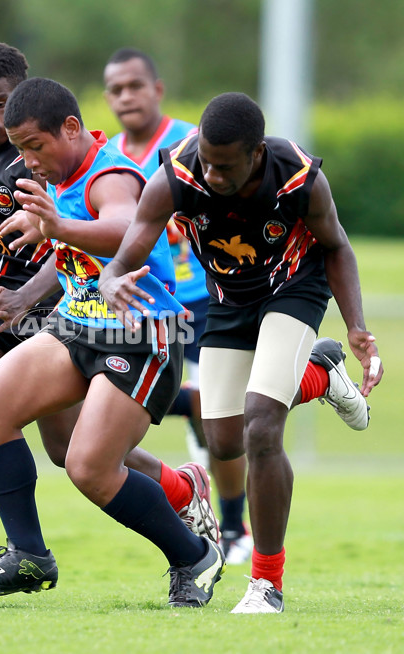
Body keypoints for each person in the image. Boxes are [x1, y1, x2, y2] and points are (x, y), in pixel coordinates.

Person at [0, 44, 218, 604]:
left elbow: (127, 230)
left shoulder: (110, 174)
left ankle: (193, 556)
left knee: (86, 466)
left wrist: (56, 227)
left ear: (72, 129)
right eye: (21, 149)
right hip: (76, 325)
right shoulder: (46, 169)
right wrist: (50, 232)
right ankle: (28, 556)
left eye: (33, 147)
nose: (26, 159)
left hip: (140, 335)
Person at [99, 92, 383, 613]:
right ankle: (321, 375)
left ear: (256, 153)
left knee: (261, 426)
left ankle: (266, 584)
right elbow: (132, 243)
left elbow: (338, 246)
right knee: (222, 439)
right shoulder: (179, 174)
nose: (211, 174)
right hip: (229, 299)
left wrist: (357, 325)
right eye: (206, 160)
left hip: (296, 287)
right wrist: (112, 277)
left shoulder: (298, 176)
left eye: (225, 166)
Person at [103, 47, 252, 565]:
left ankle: (234, 529)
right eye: (116, 90)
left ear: (157, 89)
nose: (126, 97)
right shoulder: (109, 160)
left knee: (223, 415)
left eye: (135, 86)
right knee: (123, 390)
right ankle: (197, 436)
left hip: (207, 298)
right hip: (143, 304)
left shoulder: (195, 142)